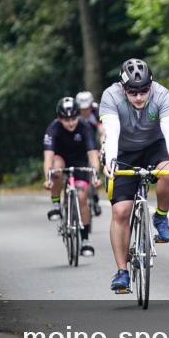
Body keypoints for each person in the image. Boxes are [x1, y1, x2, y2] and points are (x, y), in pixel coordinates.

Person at [100, 58, 169, 293]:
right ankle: (122, 272)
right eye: (132, 92)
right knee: (120, 211)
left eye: (144, 91)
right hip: (123, 150)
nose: (139, 97)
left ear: (152, 85)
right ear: (122, 87)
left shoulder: (163, 96)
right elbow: (112, 133)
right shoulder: (111, 96)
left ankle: (161, 216)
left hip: (153, 146)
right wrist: (110, 162)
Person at [43, 96, 101, 256]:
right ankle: (56, 205)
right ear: (59, 118)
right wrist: (48, 178)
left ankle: (85, 240)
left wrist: (95, 174)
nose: (70, 123)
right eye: (65, 119)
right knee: (56, 168)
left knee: (82, 197)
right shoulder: (53, 129)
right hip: (61, 159)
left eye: (73, 118)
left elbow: (92, 155)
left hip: (80, 161)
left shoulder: (85, 126)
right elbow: (48, 156)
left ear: (78, 116)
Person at [75, 90, 104, 217]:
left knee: (93, 170)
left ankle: (95, 198)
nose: (84, 111)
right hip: (78, 142)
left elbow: (103, 132)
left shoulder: (97, 112)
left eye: (87, 108)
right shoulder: (73, 112)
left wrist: (103, 148)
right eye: (82, 109)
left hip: (94, 141)